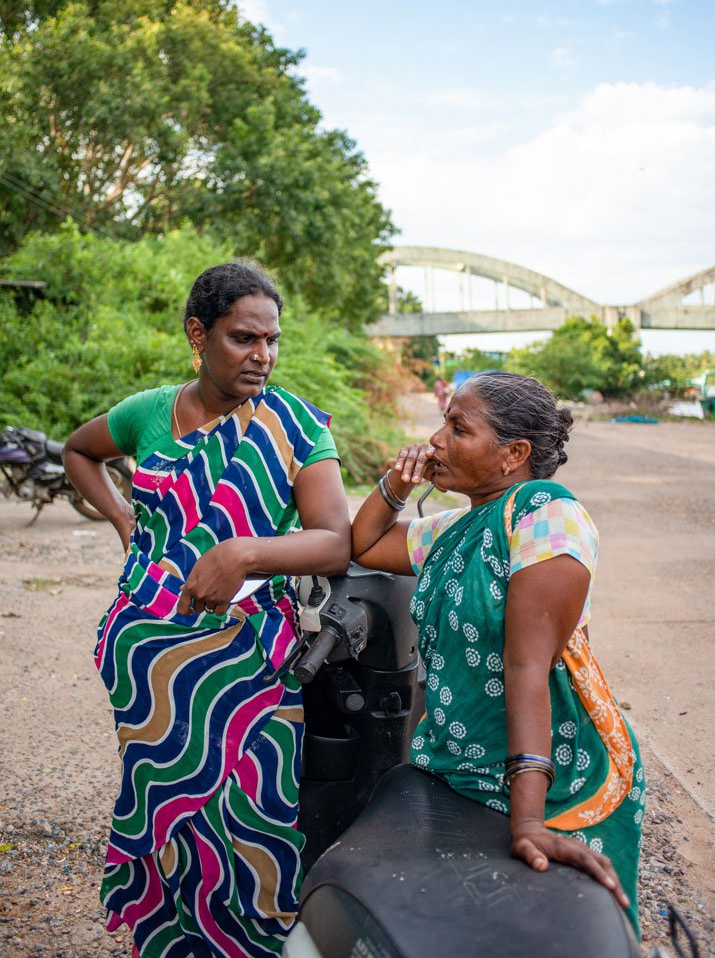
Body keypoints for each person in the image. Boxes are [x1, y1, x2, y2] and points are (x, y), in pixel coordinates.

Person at [64, 261, 350, 958]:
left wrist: (245, 554)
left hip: (249, 661)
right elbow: (78, 450)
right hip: (149, 662)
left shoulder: (291, 424)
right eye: (243, 338)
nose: (263, 356)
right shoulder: (149, 414)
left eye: (272, 339)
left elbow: (333, 541)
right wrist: (126, 522)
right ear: (199, 333)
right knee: (168, 809)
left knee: (253, 818)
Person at [351, 371, 645, 936]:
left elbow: (526, 666)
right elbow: (362, 543)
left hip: (555, 779)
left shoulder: (544, 513)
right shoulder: (454, 529)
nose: (436, 439)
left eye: (457, 428)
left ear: (514, 454)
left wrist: (529, 820)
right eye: (443, 423)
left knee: (555, 933)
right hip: (462, 766)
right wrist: (397, 482)